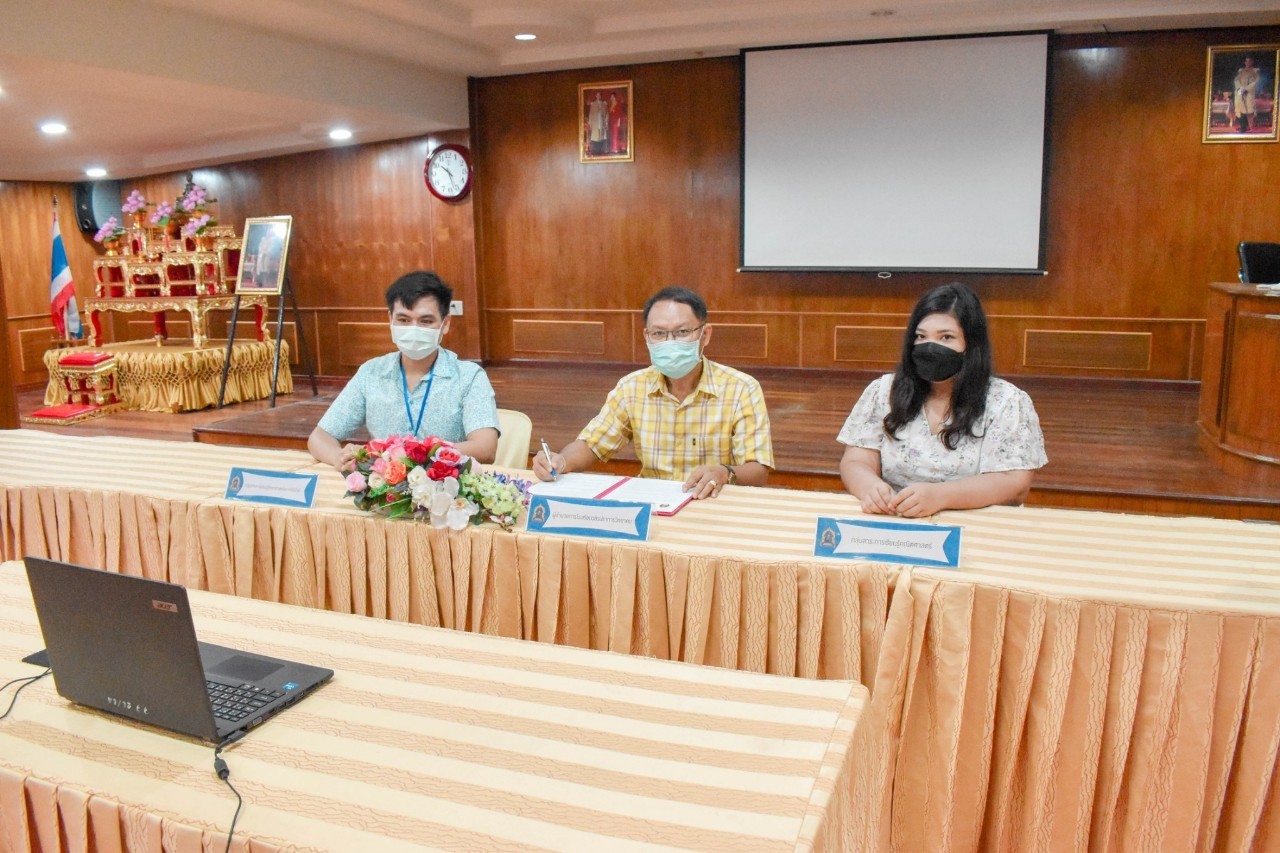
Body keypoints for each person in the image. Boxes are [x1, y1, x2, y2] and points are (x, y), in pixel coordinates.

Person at [533, 286, 773, 499]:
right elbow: (592, 444)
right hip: (653, 505)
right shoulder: (632, 387)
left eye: (682, 332)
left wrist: (724, 472)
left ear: (705, 335)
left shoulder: (741, 388)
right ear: (647, 337)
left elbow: (758, 470)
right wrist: (561, 461)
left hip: (713, 501)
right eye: (659, 333)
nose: (670, 342)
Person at [837, 282, 1046, 517]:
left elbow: (1014, 483)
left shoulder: (1006, 401)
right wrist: (870, 488)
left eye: (946, 337)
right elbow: (855, 461)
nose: (930, 347)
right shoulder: (883, 391)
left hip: (973, 523)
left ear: (972, 344)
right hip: (896, 518)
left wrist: (940, 496)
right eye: (921, 336)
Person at [308, 271, 499, 470]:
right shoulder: (371, 373)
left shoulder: (469, 377)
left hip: (447, 484)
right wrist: (337, 456)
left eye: (426, 321)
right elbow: (319, 437)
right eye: (404, 320)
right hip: (385, 484)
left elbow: (485, 448)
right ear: (390, 320)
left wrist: (415, 454)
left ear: (445, 324)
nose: (413, 329)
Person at [1234, 56, 1261, 133]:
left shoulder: (1255, 71)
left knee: (1249, 109)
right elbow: (1236, 80)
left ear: (1252, 62)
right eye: (1246, 61)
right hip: (1240, 91)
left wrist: (1246, 89)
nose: (1247, 63)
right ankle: (1242, 126)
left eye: (1249, 61)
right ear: (1244, 62)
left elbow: (1256, 82)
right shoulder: (1241, 71)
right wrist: (1240, 88)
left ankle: (1250, 126)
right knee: (1241, 108)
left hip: (1249, 92)